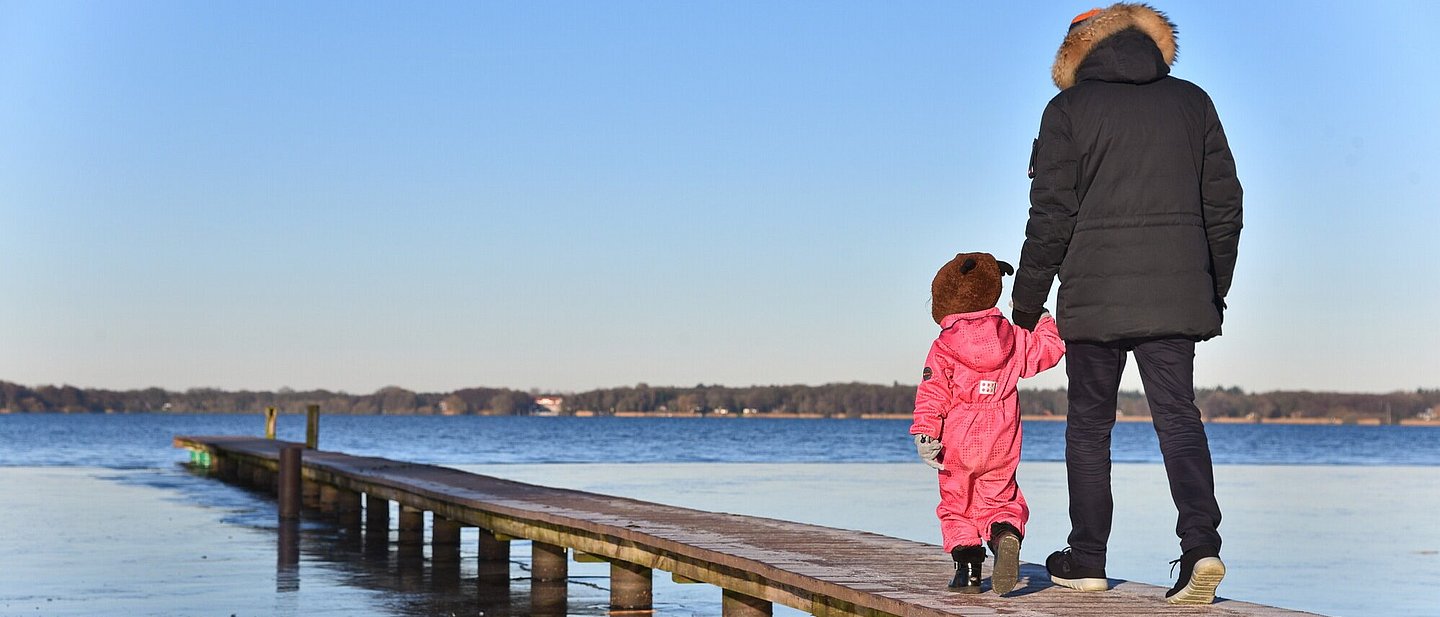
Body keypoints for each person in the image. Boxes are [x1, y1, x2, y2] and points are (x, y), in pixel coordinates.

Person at [1010, 3, 1243, 605]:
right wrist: (1212, 285)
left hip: (1093, 296)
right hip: (1176, 292)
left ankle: (1087, 557)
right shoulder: (1193, 103)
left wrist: (1027, 303)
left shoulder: (1067, 111)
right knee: (1178, 417)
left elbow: (1050, 217)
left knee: (1090, 426)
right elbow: (1225, 205)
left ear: (1076, 51)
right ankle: (1202, 548)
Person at [911, 252, 1065, 594]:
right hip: (1002, 431)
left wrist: (925, 432)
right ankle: (1004, 533)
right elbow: (1050, 350)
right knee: (999, 495)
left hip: (960, 431)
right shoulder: (1011, 336)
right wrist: (1043, 318)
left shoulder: (944, 345)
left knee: (956, 501)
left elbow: (933, 391)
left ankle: (967, 572)